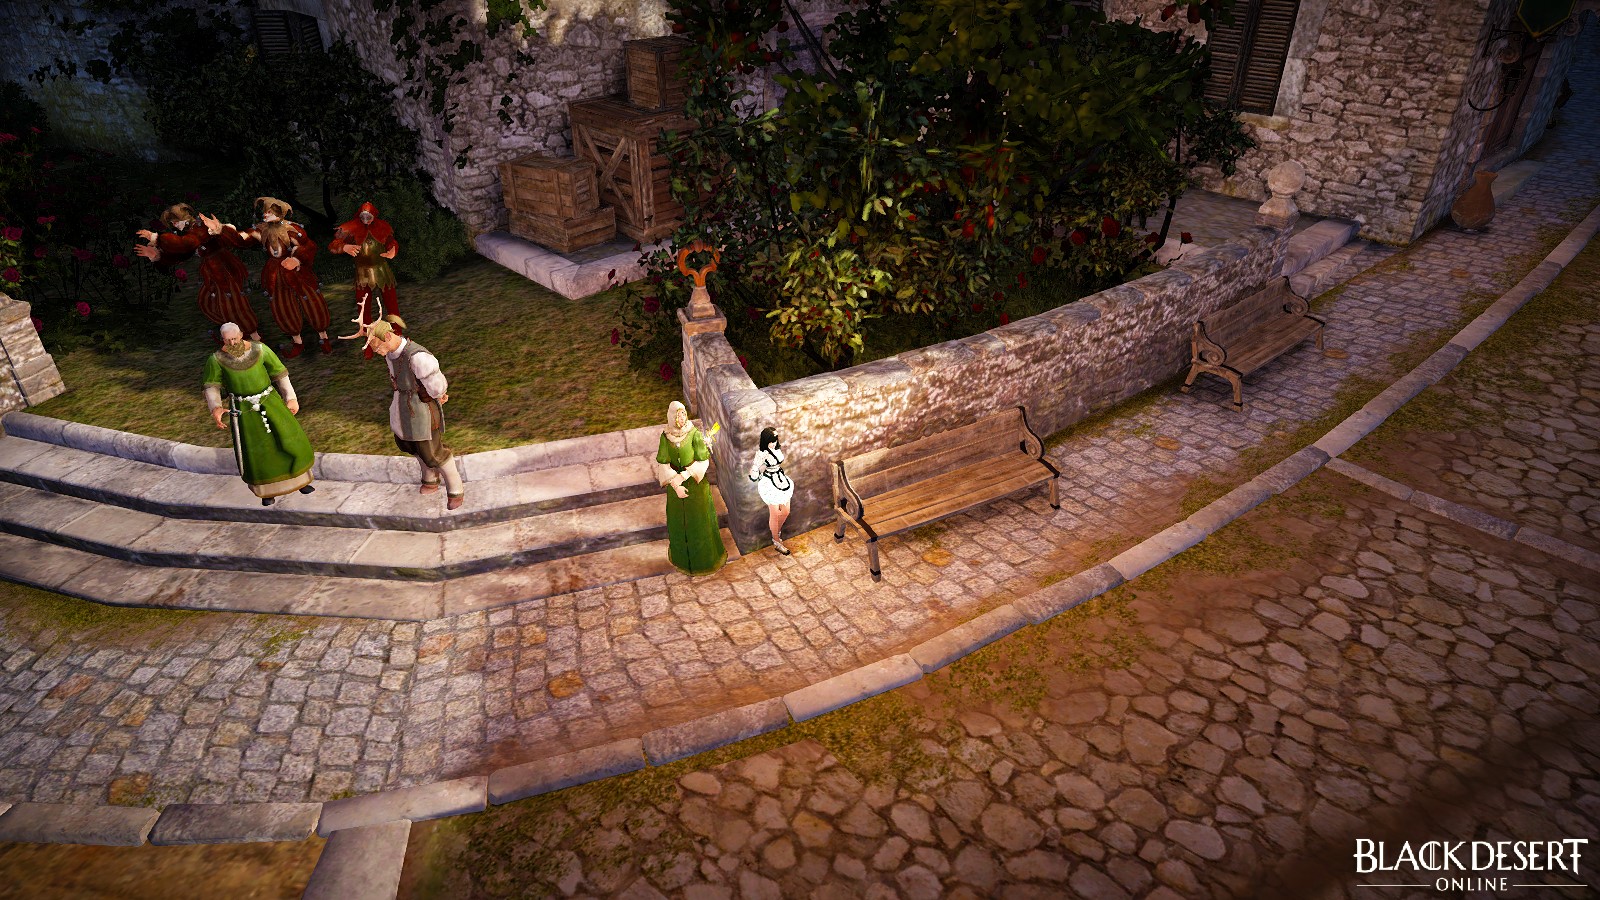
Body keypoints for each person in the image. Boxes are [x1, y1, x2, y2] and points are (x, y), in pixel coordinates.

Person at [204, 322, 316, 506]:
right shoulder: (215, 359)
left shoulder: (260, 349)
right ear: (222, 339)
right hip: (244, 410)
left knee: (289, 439)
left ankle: (300, 481)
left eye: (234, 338)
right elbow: (212, 386)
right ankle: (267, 492)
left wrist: (291, 398)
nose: (232, 343)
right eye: (227, 340)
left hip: (270, 401)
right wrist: (215, 407)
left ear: (241, 334)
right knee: (258, 451)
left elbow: (280, 373)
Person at [204, 198, 332, 358]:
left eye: (269, 212)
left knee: (311, 298)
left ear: (280, 213)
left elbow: (308, 245)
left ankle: (323, 337)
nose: (265, 215)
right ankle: (297, 342)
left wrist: (296, 259)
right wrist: (221, 229)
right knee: (282, 305)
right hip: (274, 272)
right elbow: (241, 239)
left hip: (295, 269)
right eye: (264, 212)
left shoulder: (292, 229)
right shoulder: (261, 229)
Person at [365, 316, 464, 510]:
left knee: (432, 451)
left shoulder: (418, 357)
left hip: (421, 410)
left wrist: (439, 394)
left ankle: (455, 489)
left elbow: (436, 385)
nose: (377, 351)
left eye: (377, 346)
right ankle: (430, 479)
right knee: (412, 446)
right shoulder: (391, 355)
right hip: (403, 407)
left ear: (387, 336)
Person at [136, 203, 260, 343]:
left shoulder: (201, 227)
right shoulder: (190, 233)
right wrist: (157, 256)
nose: (175, 226)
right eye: (172, 224)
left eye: (175, 222)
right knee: (207, 302)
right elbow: (182, 254)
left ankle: (253, 335)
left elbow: (186, 244)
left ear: (184, 218)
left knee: (233, 302)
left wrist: (157, 238)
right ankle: (236, 331)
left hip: (223, 267)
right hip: (211, 270)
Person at [655, 401, 725, 576]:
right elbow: (663, 463)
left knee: (699, 522)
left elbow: (703, 460)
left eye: (683, 414)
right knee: (678, 522)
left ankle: (704, 562)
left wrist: (685, 475)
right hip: (675, 489)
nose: (681, 418)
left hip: (695, 486)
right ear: (671, 417)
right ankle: (682, 561)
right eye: (678, 415)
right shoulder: (665, 437)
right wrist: (675, 484)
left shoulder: (693, 434)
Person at [329, 201, 399, 359]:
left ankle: (397, 334)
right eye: (363, 216)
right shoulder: (350, 228)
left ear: (374, 215)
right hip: (362, 273)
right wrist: (344, 247)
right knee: (363, 310)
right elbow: (333, 245)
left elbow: (391, 241)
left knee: (392, 306)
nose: (366, 219)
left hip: (382, 270)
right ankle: (369, 341)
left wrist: (393, 250)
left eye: (369, 216)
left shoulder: (382, 226)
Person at [747, 426, 794, 555]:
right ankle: (776, 540)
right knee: (774, 513)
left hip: (781, 479)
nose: (774, 442)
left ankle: (776, 532)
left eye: (775, 439)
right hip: (769, 483)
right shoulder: (762, 453)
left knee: (785, 511)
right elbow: (755, 470)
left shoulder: (776, 449)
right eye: (771, 440)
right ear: (766, 440)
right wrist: (756, 471)